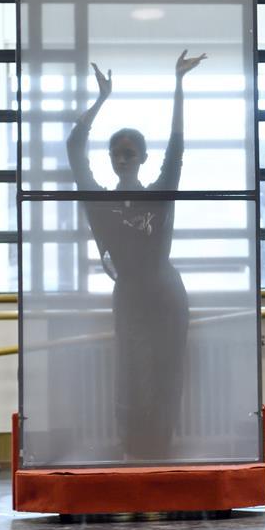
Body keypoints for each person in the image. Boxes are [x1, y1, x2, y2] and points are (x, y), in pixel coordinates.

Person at [66, 50, 206, 461]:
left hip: (165, 294)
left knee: (165, 372)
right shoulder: (101, 203)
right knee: (129, 371)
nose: (123, 158)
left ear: (142, 158)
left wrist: (178, 85)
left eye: (130, 152)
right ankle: (133, 449)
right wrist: (100, 100)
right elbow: (74, 148)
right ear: (111, 160)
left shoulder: (159, 194)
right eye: (117, 153)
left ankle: (159, 446)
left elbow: (176, 148)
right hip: (130, 294)